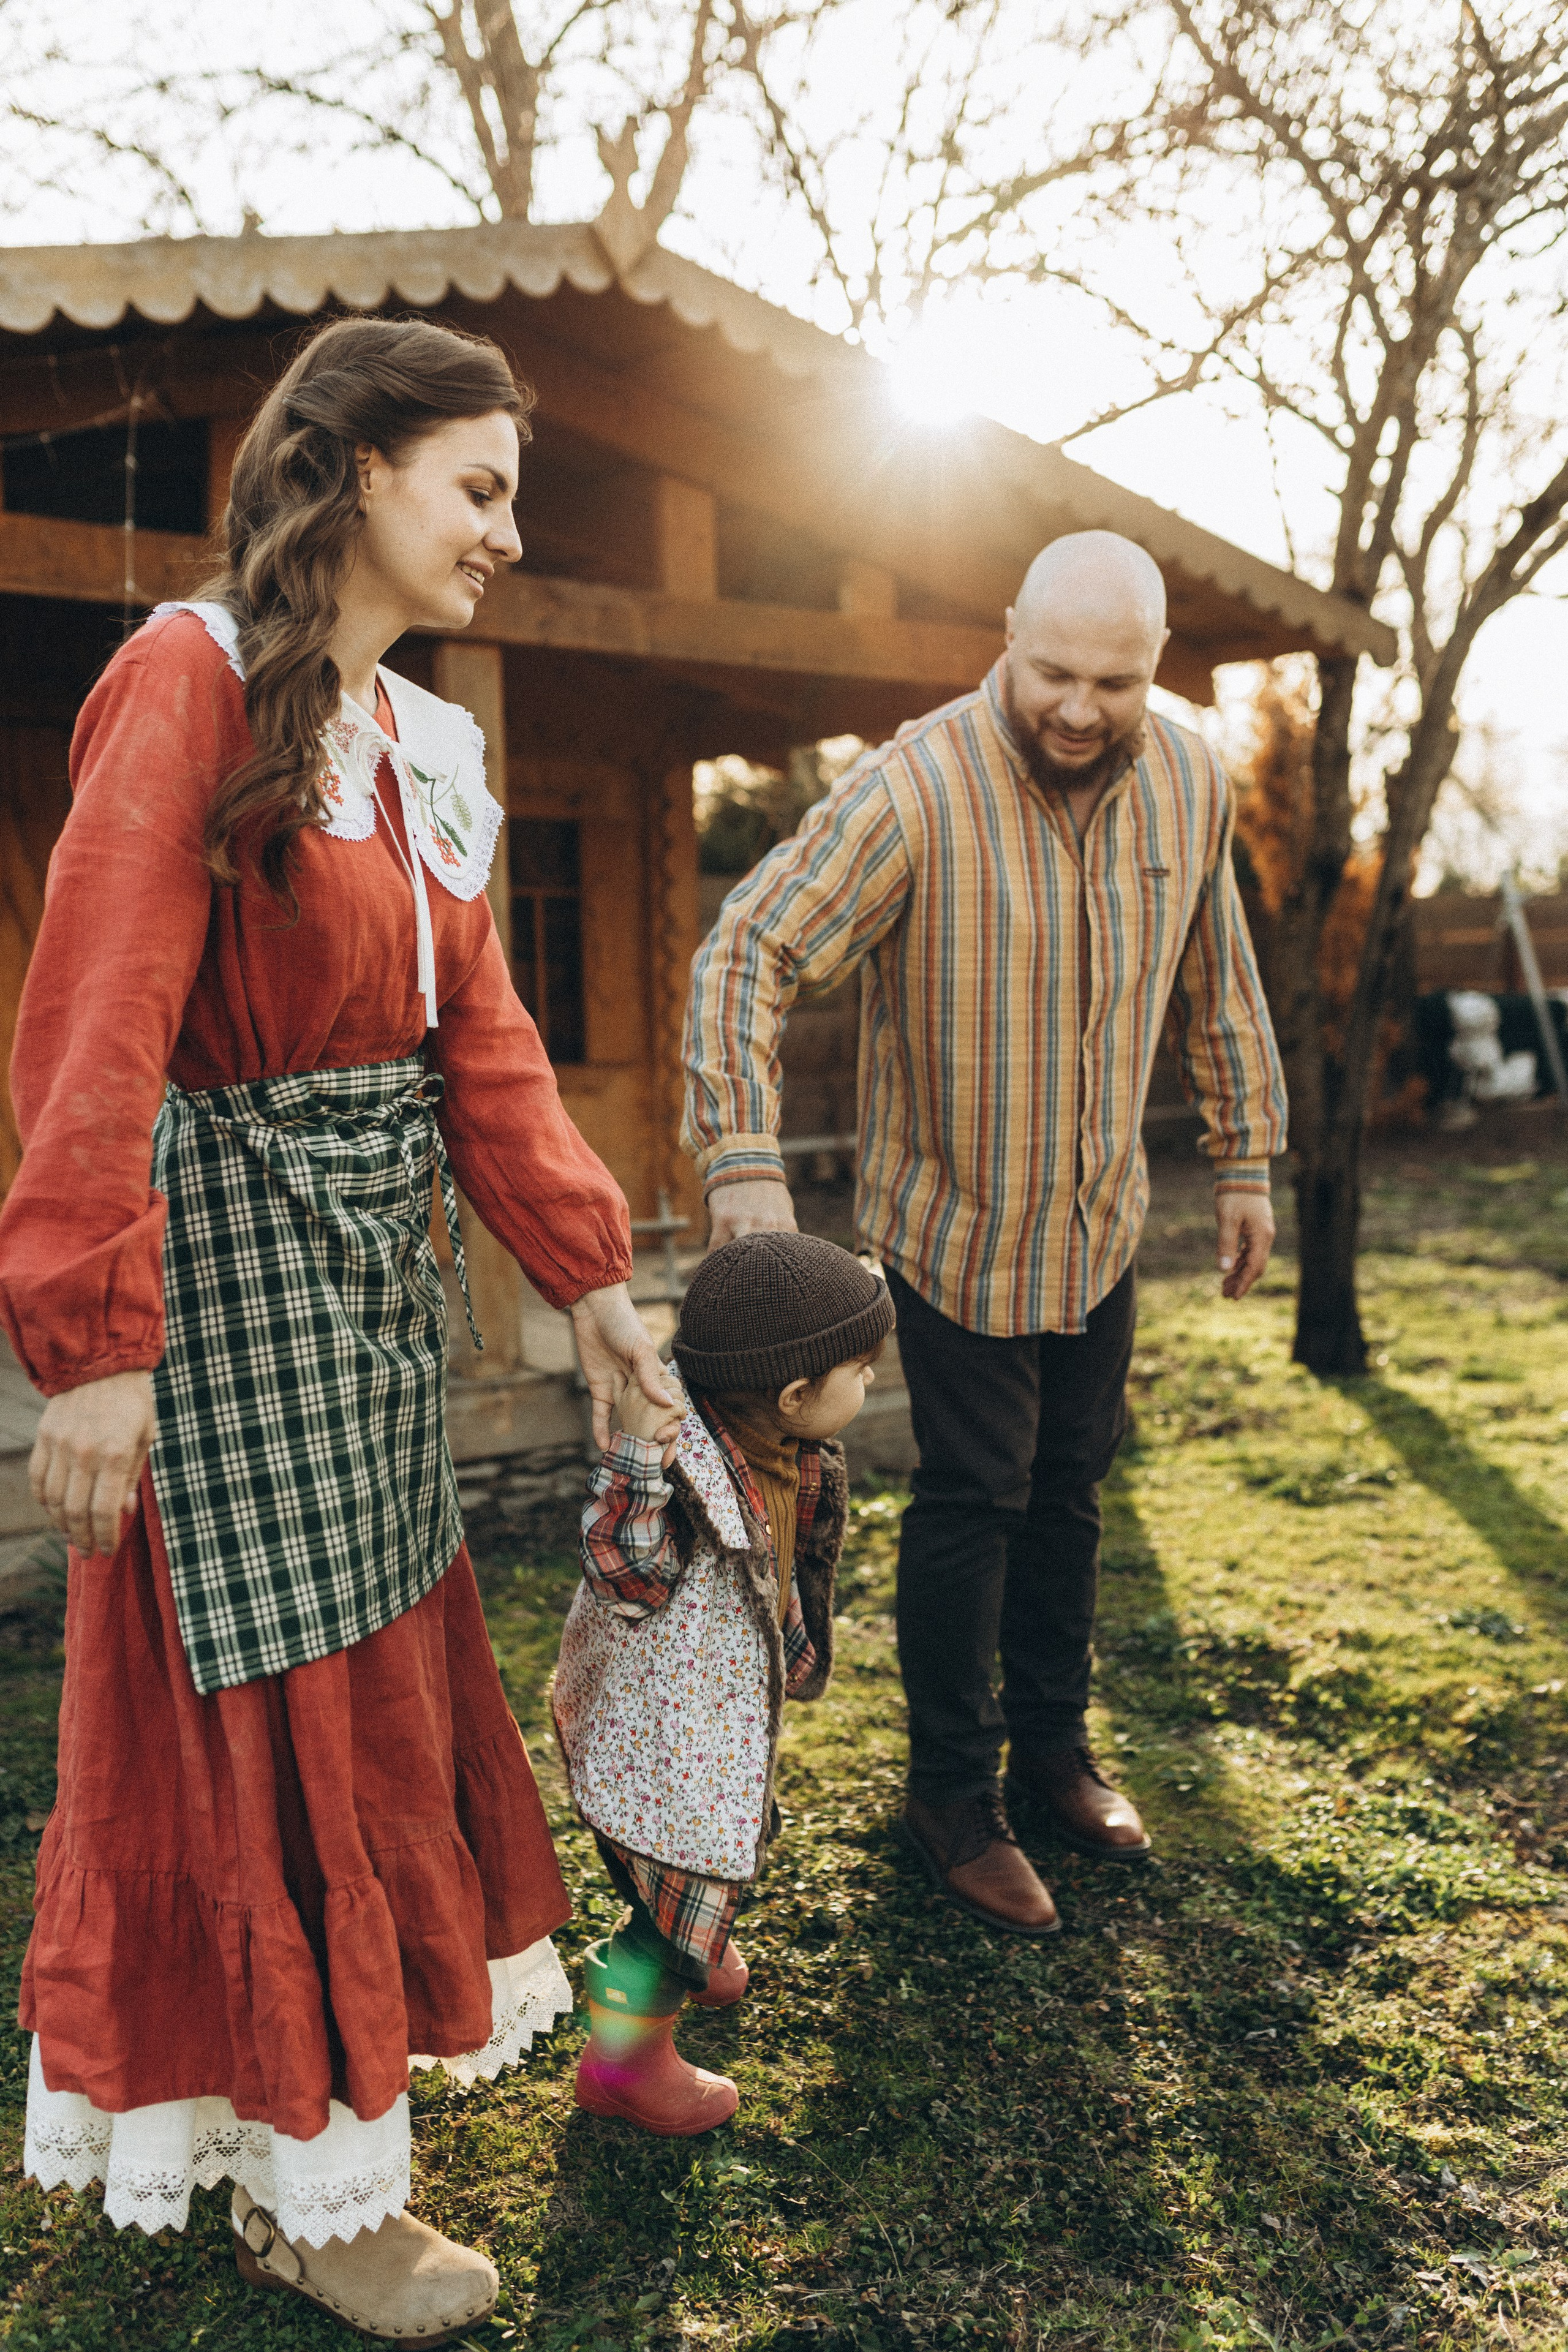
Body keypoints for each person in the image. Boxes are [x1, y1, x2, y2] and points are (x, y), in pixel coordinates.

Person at [0, 317, 676, 2345]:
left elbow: (488, 1049)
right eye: (478, 488)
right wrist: (94, 1337)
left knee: (371, 1704)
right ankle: (306, 2191)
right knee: (257, 1731)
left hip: (367, 1306)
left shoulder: (423, 750)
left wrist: (592, 1282)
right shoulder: (189, 682)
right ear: (357, 470)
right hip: (220, 1307)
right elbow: (97, 1018)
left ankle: (333, 2126)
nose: (505, 534)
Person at [683, 530, 1287, 1937]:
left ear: (1154, 669)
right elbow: (749, 948)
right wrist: (743, 1160)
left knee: (1072, 1487)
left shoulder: (1190, 781)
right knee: (976, 1498)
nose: (1077, 708)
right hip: (953, 1223)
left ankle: (1054, 1755)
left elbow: (1218, 978)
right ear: (1008, 632)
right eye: (1052, 671)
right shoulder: (914, 788)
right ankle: (952, 1799)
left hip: (1098, 1221)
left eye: (1113, 684)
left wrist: (1244, 1161)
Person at [553, 1232, 894, 2132]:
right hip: (660, 1737)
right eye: (861, 1370)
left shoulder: (771, 1438)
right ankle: (623, 2065)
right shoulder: (676, 1464)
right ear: (794, 1394)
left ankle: (700, 1938)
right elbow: (625, 1572)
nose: (873, 1382)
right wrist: (634, 1457)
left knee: (727, 1839)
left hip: (714, 1718)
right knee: (669, 1906)